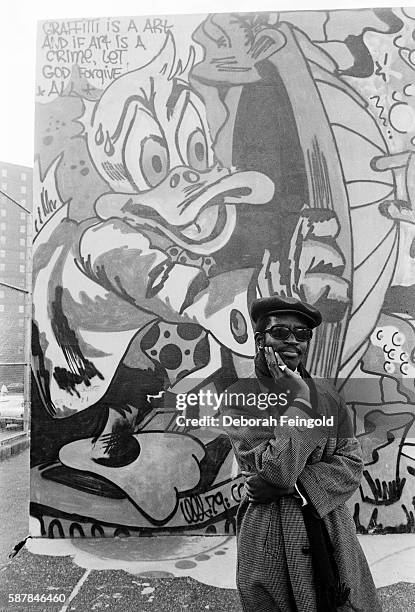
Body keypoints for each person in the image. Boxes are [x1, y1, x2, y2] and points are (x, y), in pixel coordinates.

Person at [221, 295, 381, 612]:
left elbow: (351, 464)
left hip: (330, 528)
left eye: (302, 334)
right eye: (280, 332)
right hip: (270, 535)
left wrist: (295, 486)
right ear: (260, 339)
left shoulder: (328, 395)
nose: (292, 341)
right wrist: (301, 404)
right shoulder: (239, 398)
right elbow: (275, 469)